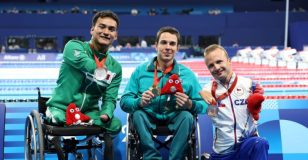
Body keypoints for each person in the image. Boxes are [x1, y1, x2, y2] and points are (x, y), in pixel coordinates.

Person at [120, 26, 208, 160]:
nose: (168, 47)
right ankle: (151, 157)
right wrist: (139, 101)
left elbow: (206, 105)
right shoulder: (140, 71)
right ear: (156, 45)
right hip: (148, 116)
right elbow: (124, 101)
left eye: (172, 44)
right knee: (138, 113)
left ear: (178, 48)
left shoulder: (187, 74)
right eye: (163, 42)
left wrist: (190, 104)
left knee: (186, 116)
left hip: (175, 116)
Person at [45, 10, 122, 137]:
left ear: (116, 35)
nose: (106, 32)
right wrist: (103, 71)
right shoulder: (73, 47)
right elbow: (86, 64)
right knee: (58, 119)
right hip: (61, 108)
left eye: (111, 29)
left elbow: (110, 98)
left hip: (89, 113)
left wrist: (106, 114)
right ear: (92, 30)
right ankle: (69, 117)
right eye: (101, 27)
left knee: (115, 125)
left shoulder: (116, 67)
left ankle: (82, 119)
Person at [199, 44, 269, 160]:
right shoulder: (209, 89)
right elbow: (213, 117)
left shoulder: (248, 84)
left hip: (246, 145)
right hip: (223, 151)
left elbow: (257, 109)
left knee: (260, 143)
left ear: (229, 61)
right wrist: (211, 103)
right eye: (211, 65)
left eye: (219, 62)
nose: (216, 67)